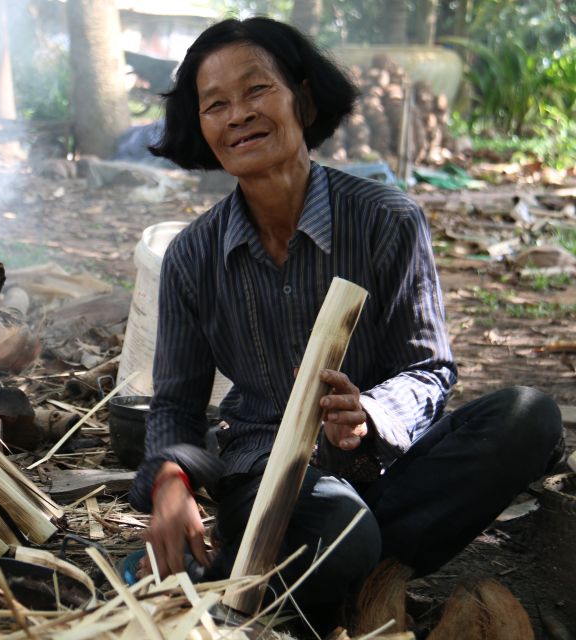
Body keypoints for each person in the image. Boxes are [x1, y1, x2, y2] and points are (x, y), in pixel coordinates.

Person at [128, 16, 564, 632]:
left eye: (257, 91)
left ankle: (279, 578)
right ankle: (316, 569)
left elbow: (429, 368)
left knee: (529, 417)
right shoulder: (193, 258)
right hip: (268, 485)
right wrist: (168, 479)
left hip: (388, 469)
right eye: (215, 104)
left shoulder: (387, 221)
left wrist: (372, 415)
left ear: (302, 99)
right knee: (342, 530)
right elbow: (174, 402)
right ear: (200, 127)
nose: (238, 115)